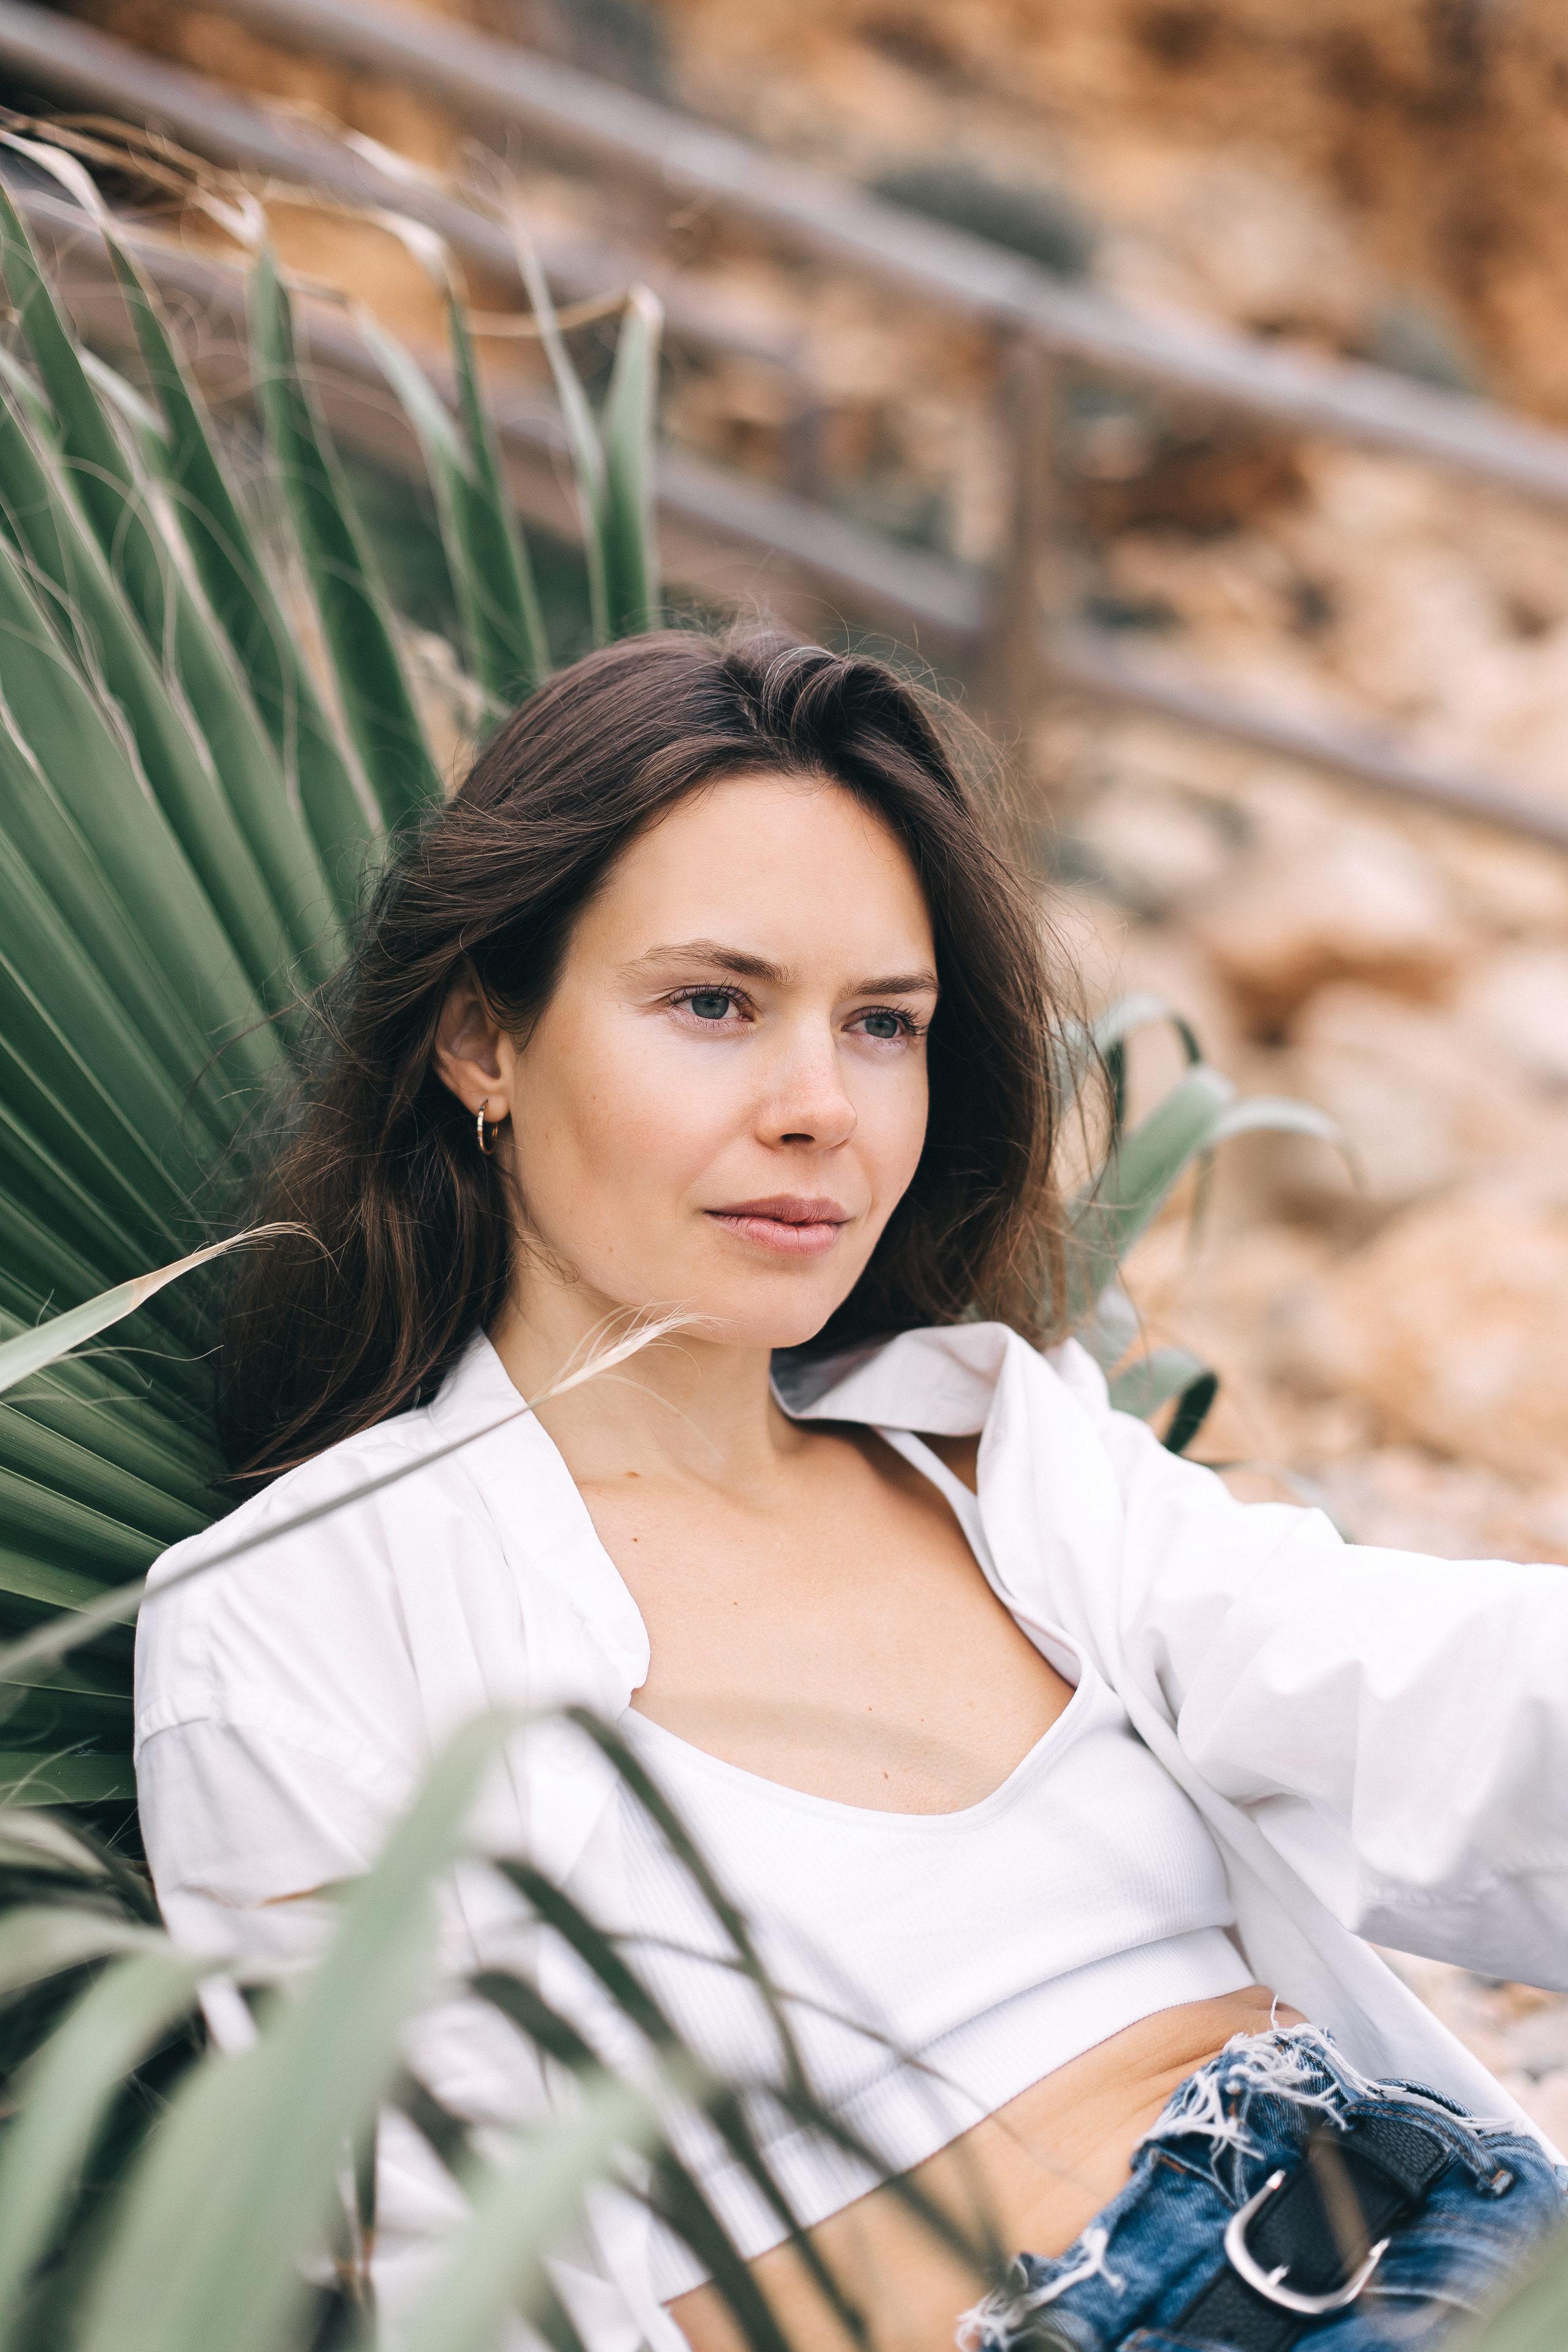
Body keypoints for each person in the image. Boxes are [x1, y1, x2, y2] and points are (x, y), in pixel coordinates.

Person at [136, 628, 1568, 2352]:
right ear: (479, 1042)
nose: (822, 1107)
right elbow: (439, 2271)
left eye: (882, 1023)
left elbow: (1428, 1700)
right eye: (714, 1004)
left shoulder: (999, 1459)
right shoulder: (304, 1606)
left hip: (1475, 2235)